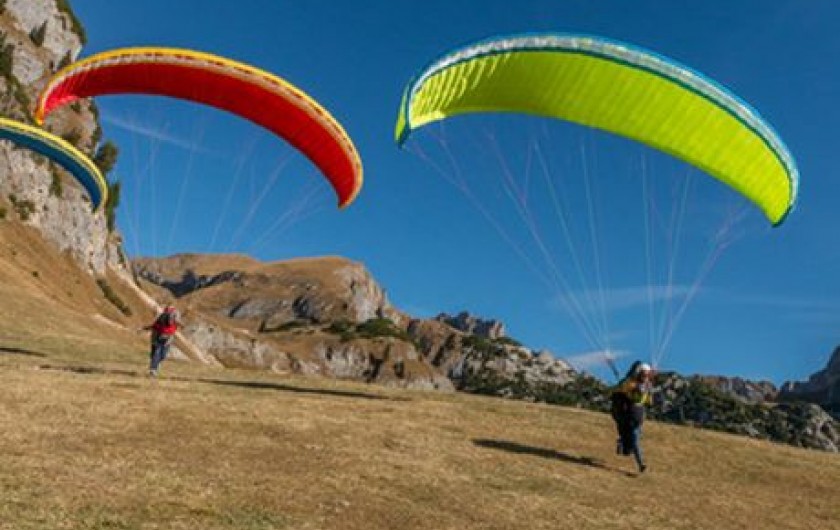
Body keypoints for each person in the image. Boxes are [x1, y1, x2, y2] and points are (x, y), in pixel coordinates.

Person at [610, 361, 654, 472]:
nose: (645, 377)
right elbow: (622, 391)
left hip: (639, 416)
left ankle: (622, 442)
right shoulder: (630, 383)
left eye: (647, 375)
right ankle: (641, 464)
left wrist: (648, 394)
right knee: (634, 441)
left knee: (633, 441)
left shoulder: (648, 385)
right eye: (644, 374)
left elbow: (649, 401)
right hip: (629, 414)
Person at [143, 305, 181, 377]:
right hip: (162, 337)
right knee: (158, 352)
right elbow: (154, 326)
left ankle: (156, 364)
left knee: (162, 355)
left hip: (166, 338)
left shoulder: (170, 319)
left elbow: (154, 326)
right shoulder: (164, 318)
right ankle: (153, 369)